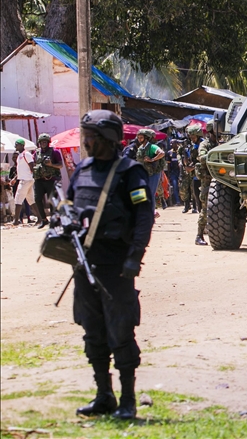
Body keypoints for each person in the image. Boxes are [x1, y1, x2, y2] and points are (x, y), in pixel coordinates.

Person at [68, 110, 154, 419]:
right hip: (84, 265)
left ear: (106, 139)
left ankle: (128, 400)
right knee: (93, 332)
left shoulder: (130, 172)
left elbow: (144, 217)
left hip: (116, 267)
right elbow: (68, 207)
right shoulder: (82, 170)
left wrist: (135, 256)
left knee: (121, 331)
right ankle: (104, 395)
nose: (85, 142)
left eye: (89, 137)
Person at [194, 121, 219, 245]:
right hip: (208, 180)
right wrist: (216, 155)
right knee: (205, 209)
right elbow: (202, 158)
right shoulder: (205, 144)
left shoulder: (220, 143)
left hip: (220, 179)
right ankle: (199, 236)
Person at [33, 133, 63, 228]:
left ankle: (53, 222)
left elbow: (60, 165)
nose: (43, 144)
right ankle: (44, 219)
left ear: (48, 143)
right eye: (42, 142)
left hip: (51, 179)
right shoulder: (36, 153)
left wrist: (51, 165)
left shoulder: (55, 152)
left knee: (52, 201)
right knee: (37, 199)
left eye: (45, 142)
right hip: (39, 180)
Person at [134, 129, 165, 212]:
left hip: (153, 174)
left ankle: (151, 213)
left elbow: (162, 153)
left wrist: (152, 159)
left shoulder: (152, 146)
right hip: (144, 173)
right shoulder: (141, 148)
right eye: (138, 137)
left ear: (146, 138)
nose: (139, 139)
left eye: (141, 137)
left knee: (150, 193)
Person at [12, 138, 35, 226]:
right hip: (24, 179)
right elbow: (21, 170)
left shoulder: (26, 154)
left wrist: (31, 176)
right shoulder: (20, 155)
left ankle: (16, 220)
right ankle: (41, 219)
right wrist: (15, 178)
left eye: (17, 144)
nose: (15, 146)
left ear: (22, 145)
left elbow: (31, 165)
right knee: (31, 200)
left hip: (26, 180)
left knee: (18, 199)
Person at [166, 140, 182, 206]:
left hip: (181, 171)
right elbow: (168, 165)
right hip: (173, 172)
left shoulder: (180, 151)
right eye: (170, 143)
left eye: (173, 143)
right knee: (175, 186)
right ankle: (177, 201)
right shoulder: (169, 153)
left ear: (176, 143)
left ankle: (184, 200)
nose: (171, 144)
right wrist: (168, 174)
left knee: (182, 186)